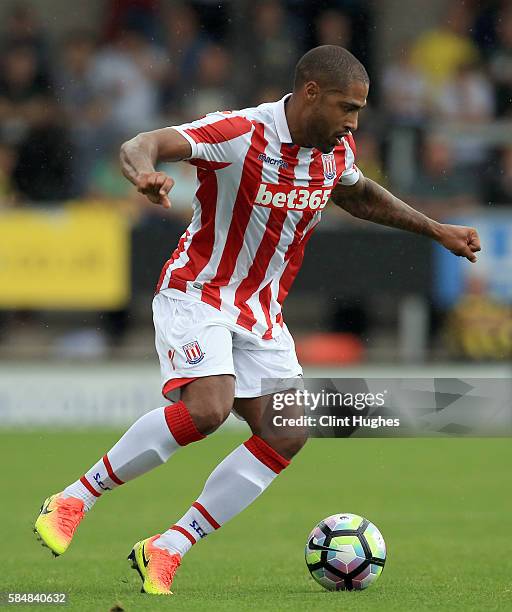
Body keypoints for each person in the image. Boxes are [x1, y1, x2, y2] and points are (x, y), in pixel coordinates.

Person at [34, 45, 481, 596]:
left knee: (288, 433)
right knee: (208, 408)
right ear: (310, 93)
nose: (353, 121)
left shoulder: (334, 148)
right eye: (347, 107)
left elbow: (359, 195)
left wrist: (436, 229)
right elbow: (141, 143)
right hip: (198, 292)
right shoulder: (241, 131)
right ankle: (75, 497)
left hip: (261, 313)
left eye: (359, 111)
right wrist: (145, 173)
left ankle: (167, 547)